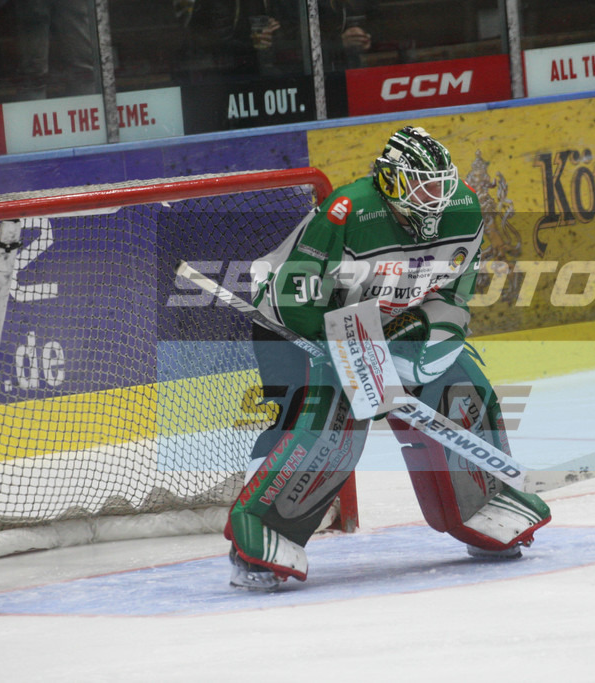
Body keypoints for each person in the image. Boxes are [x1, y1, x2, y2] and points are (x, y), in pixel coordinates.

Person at [225, 126, 552, 590]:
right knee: (329, 421)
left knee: (464, 387)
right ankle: (261, 537)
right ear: (395, 181)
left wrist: (432, 339)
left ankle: (482, 504)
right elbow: (294, 298)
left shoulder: (462, 212)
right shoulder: (348, 211)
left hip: (383, 323)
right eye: (423, 185)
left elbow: (454, 295)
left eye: (440, 184)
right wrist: (345, 354)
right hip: (296, 325)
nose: (435, 197)